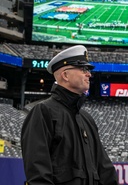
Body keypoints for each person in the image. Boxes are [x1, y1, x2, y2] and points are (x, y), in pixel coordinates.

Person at [21, 45, 118, 185]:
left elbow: (105, 171)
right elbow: (38, 175)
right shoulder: (43, 112)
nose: (89, 74)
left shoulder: (87, 119)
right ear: (65, 75)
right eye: (83, 69)